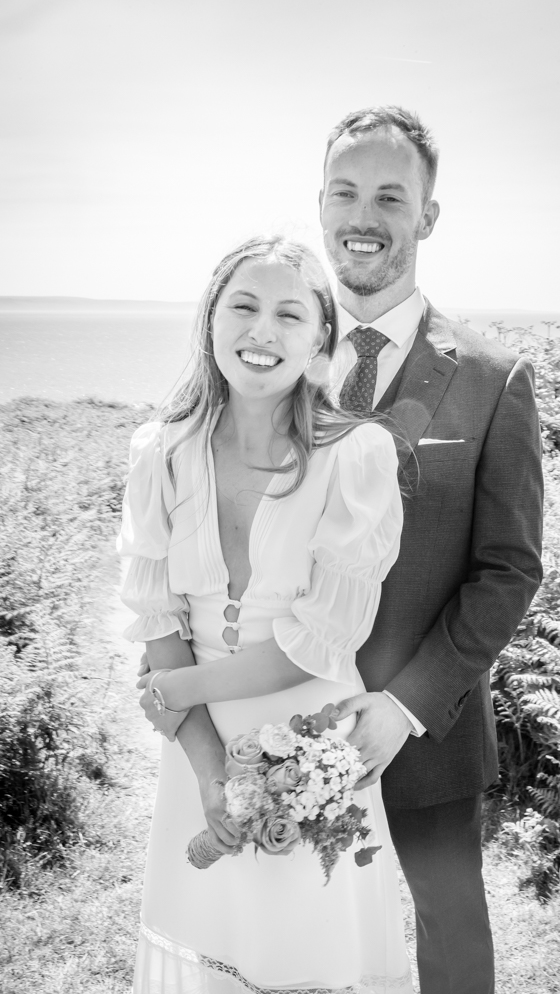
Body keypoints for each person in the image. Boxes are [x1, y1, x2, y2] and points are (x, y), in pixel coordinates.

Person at [117, 236, 414, 993]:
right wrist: (212, 774)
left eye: (289, 314)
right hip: (196, 754)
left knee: (308, 953)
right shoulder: (160, 452)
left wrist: (171, 692)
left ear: (320, 339)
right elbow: (158, 619)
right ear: (211, 317)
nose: (262, 331)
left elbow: (316, 643)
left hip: (310, 748)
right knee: (213, 952)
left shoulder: (356, 457)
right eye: (243, 305)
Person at [319, 107, 544, 994]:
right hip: (276, 708)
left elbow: (509, 567)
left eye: (389, 194)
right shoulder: (273, 357)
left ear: (427, 216)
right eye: (344, 191)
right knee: (295, 934)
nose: (362, 215)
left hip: (426, 727)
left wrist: (400, 706)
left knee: (449, 932)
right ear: (321, 204)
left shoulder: (492, 381)